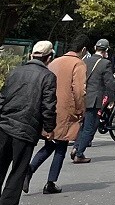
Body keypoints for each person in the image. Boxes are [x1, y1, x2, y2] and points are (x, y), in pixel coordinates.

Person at [0, 40, 57, 205]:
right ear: (49, 58)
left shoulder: (16, 71)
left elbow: (2, 96)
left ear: (32, 55)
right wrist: (49, 128)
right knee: (18, 171)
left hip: (6, 125)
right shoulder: (47, 77)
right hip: (26, 129)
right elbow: (48, 106)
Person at [24, 35, 88, 196]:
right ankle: (50, 182)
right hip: (66, 110)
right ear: (84, 50)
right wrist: (81, 110)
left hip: (49, 108)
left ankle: (30, 170)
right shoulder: (78, 64)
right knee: (60, 146)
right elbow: (79, 91)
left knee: (51, 143)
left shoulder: (55, 61)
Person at [71, 38, 115, 163]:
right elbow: (109, 83)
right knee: (89, 127)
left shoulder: (84, 61)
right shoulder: (105, 63)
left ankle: (76, 147)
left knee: (83, 125)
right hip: (95, 98)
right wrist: (112, 98)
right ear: (106, 50)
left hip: (83, 97)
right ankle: (79, 153)